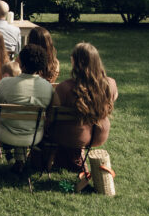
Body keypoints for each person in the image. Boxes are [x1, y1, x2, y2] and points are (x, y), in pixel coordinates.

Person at [0, 45, 58, 173]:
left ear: (21, 64)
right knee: (24, 123)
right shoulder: (48, 87)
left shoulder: (6, 83)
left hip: (5, 133)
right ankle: (20, 161)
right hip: (34, 136)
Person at [49, 43, 118, 173]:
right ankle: (72, 158)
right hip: (99, 135)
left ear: (76, 62)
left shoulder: (64, 88)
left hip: (71, 136)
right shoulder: (111, 84)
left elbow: (53, 111)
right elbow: (113, 98)